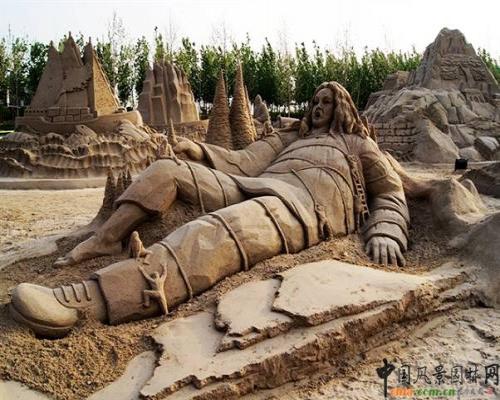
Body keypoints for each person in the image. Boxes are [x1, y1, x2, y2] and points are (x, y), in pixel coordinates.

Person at [10, 82, 409, 337]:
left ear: (342, 107)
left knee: (213, 231)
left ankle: (89, 299)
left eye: (327, 102)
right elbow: (243, 161)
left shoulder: (358, 146)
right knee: (167, 171)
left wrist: (387, 231)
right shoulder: (290, 137)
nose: (318, 107)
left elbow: (390, 192)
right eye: (315, 101)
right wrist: (197, 150)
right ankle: (107, 239)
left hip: (301, 207)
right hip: (253, 185)